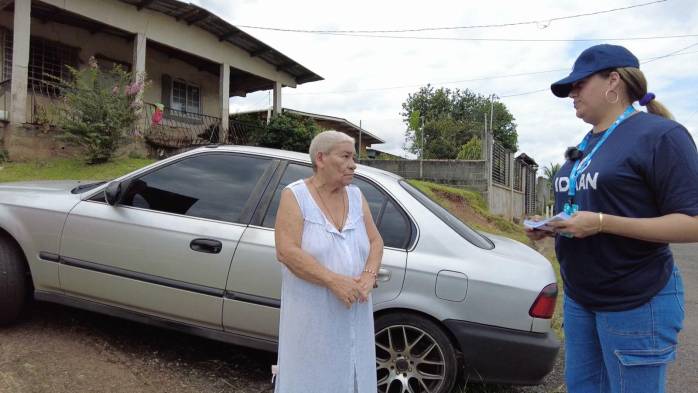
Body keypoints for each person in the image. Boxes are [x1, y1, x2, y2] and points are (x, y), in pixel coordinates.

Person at [526, 44, 698, 393]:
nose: (572, 92)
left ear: (613, 82)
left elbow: (692, 222)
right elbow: (587, 207)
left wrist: (603, 222)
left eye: (579, 83)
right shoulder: (587, 144)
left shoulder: (660, 135)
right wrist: (553, 228)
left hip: (635, 299)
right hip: (581, 299)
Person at [274, 130, 384, 393]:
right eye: (345, 156)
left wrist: (369, 275)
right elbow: (286, 251)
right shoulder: (295, 196)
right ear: (321, 158)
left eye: (354, 157)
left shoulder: (356, 196)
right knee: (311, 375)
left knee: (352, 373)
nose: (353, 164)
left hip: (354, 313)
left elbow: (375, 242)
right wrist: (333, 281)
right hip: (312, 317)